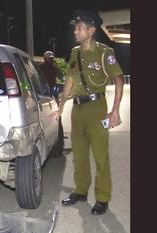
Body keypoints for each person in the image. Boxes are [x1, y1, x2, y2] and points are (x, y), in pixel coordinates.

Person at [58, 10, 124, 215]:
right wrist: (61, 105)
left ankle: (103, 198)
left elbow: (119, 79)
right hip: (77, 110)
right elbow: (70, 80)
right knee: (79, 156)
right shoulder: (74, 53)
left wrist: (115, 111)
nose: (76, 31)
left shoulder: (104, 52)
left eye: (80, 28)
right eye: (76, 28)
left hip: (97, 109)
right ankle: (80, 191)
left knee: (100, 157)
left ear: (91, 30)